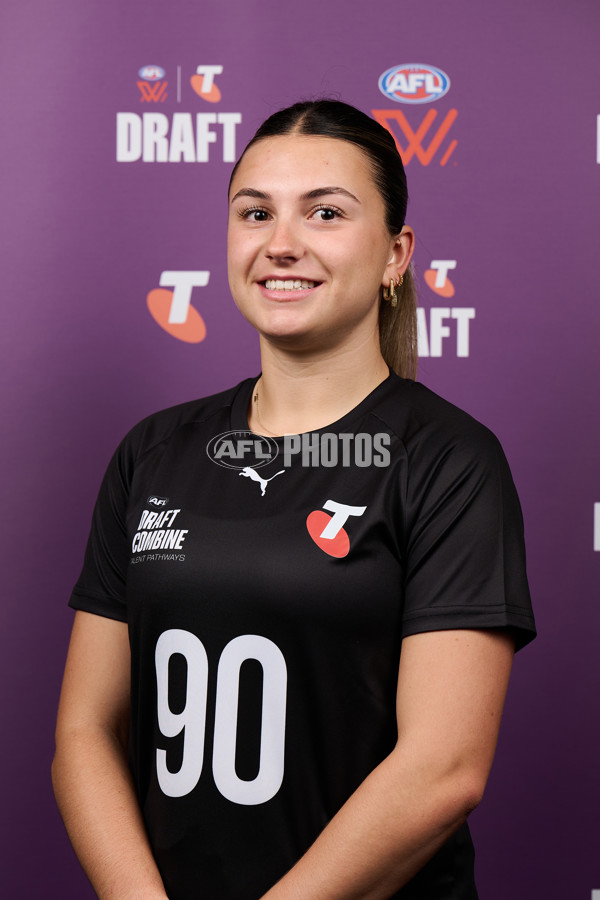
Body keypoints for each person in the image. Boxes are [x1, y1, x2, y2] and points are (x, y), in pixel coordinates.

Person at [52, 99, 536, 900]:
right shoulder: (155, 451)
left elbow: (444, 770)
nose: (282, 243)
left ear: (395, 254)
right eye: (255, 212)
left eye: (325, 212)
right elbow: (84, 732)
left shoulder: (448, 460)